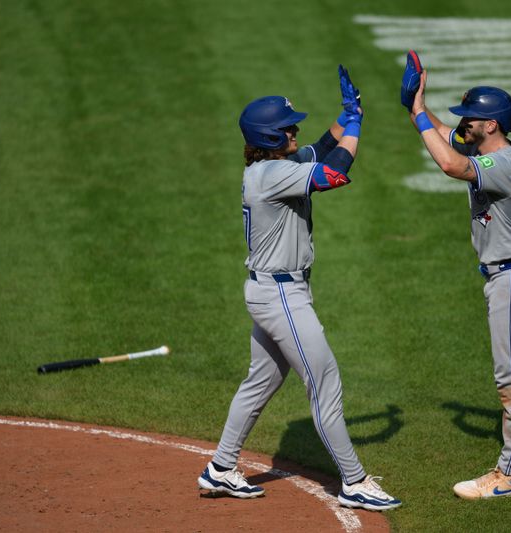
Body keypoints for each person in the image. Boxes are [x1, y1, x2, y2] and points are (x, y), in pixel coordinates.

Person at [196, 66, 401, 511]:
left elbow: (319, 147)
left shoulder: (273, 166)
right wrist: (358, 129)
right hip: (282, 297)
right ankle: (354, 481)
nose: (295, 131)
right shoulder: (273, 177)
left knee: (261, 382)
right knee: (325, 383)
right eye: (287, 128)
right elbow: (335, 171)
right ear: (270, 138)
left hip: (272, 291)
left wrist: (347, 115)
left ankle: (220, 468)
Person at [402, 52, 511, 500]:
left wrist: (422, 114)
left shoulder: (500, 165)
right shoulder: (485, 150)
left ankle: (507, 476)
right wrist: (416, 110)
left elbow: (449, 163)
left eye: (472, 119)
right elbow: (449, 140)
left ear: (493, 126)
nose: (464, 124)